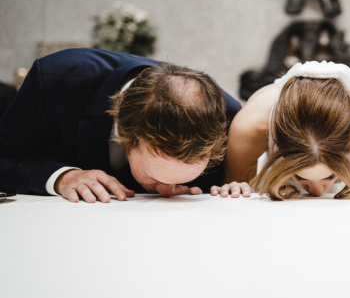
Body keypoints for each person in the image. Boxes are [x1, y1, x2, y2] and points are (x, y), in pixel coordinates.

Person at [0, 48, 241, 202]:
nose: (166, 191)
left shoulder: (231, 119)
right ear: (124, 131)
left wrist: (230, 190)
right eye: (153, 178)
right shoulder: (55, 82)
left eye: (182, 180)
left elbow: (233, 184)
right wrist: (62, 177)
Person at [211, 61, 350, 200]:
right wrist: (235, 190)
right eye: (300, 177)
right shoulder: (251, 125)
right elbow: (235, 201)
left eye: (330, 176)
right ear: (276, 143)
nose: (317, 192)